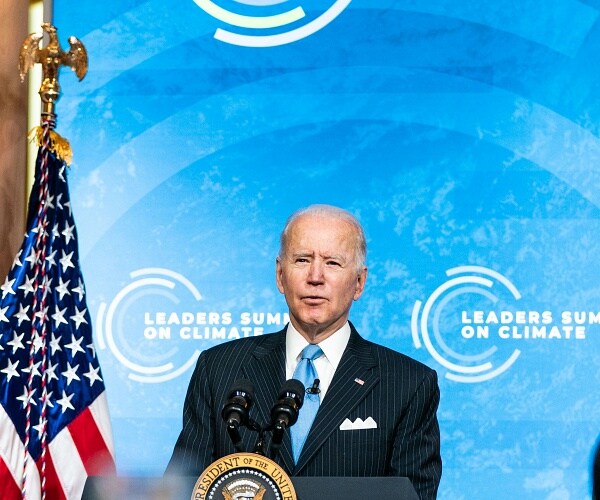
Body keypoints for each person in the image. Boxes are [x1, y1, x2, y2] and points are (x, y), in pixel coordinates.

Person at [166, 204, 442, 499]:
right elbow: (182, 488)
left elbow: (415, 494)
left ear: (359, 283)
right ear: (280, 275)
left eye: (333, 263)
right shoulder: (219, 368)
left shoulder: (408, 383)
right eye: (302, 259)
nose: (315, 277)